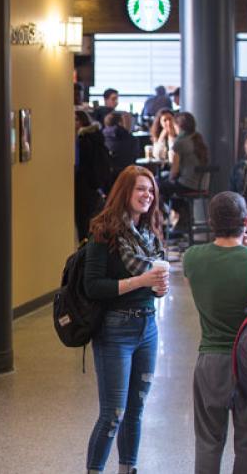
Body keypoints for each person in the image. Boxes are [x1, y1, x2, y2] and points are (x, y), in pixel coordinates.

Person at [184, 192, 247, 474]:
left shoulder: (192, 259)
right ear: (246, 222)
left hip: (211, 362)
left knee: (207, 442)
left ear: (210, 222)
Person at [83, 166, 168, 474]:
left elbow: (152, 286)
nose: (147, 195)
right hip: (115, 330)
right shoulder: (103, 232)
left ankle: (127, 468)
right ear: (124, 193)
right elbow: (93, 286)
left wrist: (158, 288)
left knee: (136, 411)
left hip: (148, 328)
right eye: (140, 189)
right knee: (113, 413)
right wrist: (142, 281)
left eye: (151, 190)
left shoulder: (149, 233)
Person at [160, 112, 210, 230]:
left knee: (159, 187)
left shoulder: (180, 142)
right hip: (202, 185)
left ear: (179, 126)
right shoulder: (198, 138)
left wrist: (169, 178)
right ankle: (184, 216)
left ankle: (178, 215)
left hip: (187, 185)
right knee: (169, 186)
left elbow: (174, 170)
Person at [76, 110, 111, 242]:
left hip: (85, 186)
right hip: (95, 187)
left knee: (84, 224)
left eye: (76, 120)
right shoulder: (96, 137)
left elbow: (83, 166)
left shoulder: (83, 140)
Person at [104, 112, 139, 177]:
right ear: (120, 123)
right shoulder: (131, 139)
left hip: (105, 177)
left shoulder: (100, 137)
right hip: (127, 175)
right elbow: (134, 158)